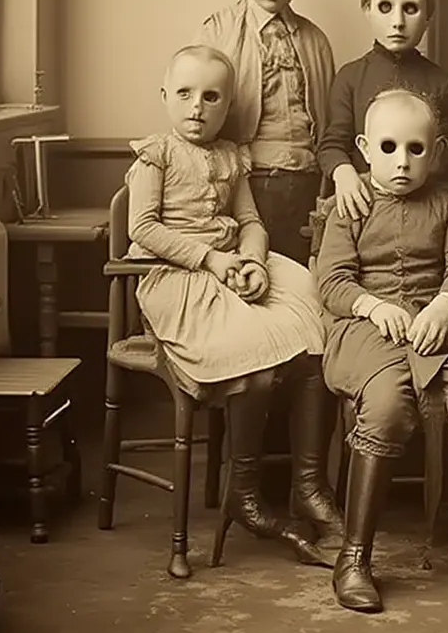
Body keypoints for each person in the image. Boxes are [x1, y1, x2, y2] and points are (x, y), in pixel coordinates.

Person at [126, 44, 340, 560]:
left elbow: (249, 222)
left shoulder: (231, 156)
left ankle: (308, 488)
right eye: (184, 93)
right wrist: (210, 261)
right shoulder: (156, 154)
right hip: (177, 277)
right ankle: (245, 496)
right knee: (256, 362)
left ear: (228, 105)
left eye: (211, 96)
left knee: (318, 329)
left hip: (230, 267)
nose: (196, 106)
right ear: (164, 96)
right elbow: (142, 228)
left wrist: (252, 261)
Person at [316, 88, 448, 619]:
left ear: (439, 150)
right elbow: (331, 280)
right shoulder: (351, 203)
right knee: (384, 406)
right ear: (363, 148)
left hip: (441, 321)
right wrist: (369, 305)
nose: (401, 162)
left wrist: (447, 305)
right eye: (387, 147)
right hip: (370, 325)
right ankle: (354, 558)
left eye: (415, 149)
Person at [191, 0, 342, 539]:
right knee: (260, 333)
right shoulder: (219, 30)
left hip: (308, 195)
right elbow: (201, 130)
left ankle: (308, 483)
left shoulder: (315, 39)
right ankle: (245, 483)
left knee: (317, 333)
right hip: (244, 196)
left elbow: (332, 129)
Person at [317, 0, 448, 222]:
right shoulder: (350, 77)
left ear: (428, 18)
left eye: (411, 9)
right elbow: (332, 144)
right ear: (368, 11)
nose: (398, 21)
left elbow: (446, 155)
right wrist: (343, 172)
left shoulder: (440, 81)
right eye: (385, 7)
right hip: (364, 207)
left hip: (424, 209)